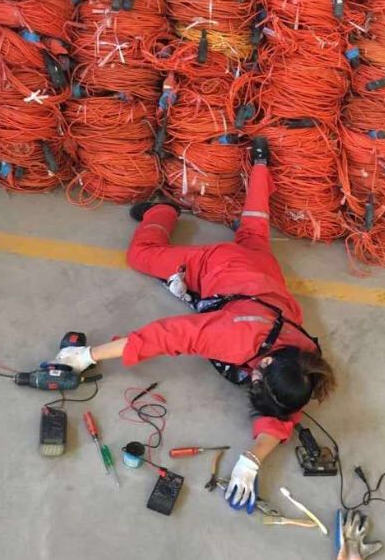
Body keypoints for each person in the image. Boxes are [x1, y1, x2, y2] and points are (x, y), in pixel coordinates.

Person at [55, 137, 336, 512]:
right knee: (141, 255)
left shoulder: (305, 363)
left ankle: (260, 164)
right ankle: (163, 212)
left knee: (254, 229)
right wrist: (87, 355)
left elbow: (285, 411)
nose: (251, 381)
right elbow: (162, 337)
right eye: (256, 379)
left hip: (262, 273)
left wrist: (252, 460)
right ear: (267, 360)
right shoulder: (234, 339)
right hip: (219, 265)